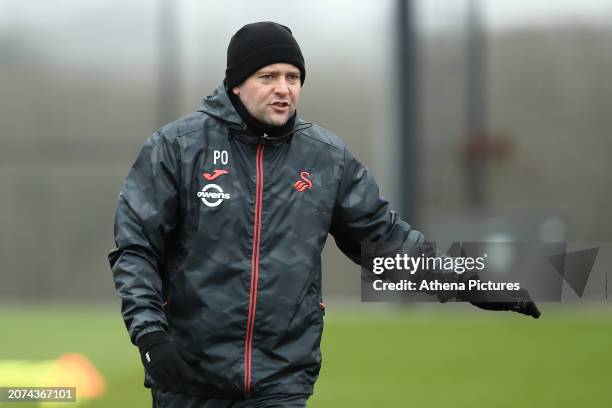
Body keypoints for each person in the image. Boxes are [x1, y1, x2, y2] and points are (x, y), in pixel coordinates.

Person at [108, 21, 540, 408]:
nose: (284, 88)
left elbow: (385, 241)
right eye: (268, 76)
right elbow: (136, 249)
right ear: (236, 84)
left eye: (293, 77)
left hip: (280, 381)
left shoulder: (324, 158)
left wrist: (480, 283)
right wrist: (151, 337)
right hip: (187, 378)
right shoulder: (177, 148)